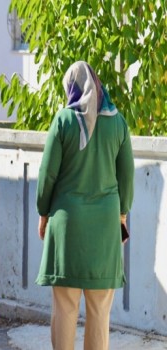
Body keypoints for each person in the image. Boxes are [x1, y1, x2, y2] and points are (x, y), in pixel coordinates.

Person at [36, 61, 134, 350]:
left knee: (65, 308)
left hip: (67, 228)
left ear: (72, 88)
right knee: (100, 311)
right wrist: (122, 215)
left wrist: (43, 212)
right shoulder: (118, 122)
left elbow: (47, 174)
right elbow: (127, 177)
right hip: (105, 230)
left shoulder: (64, 121)